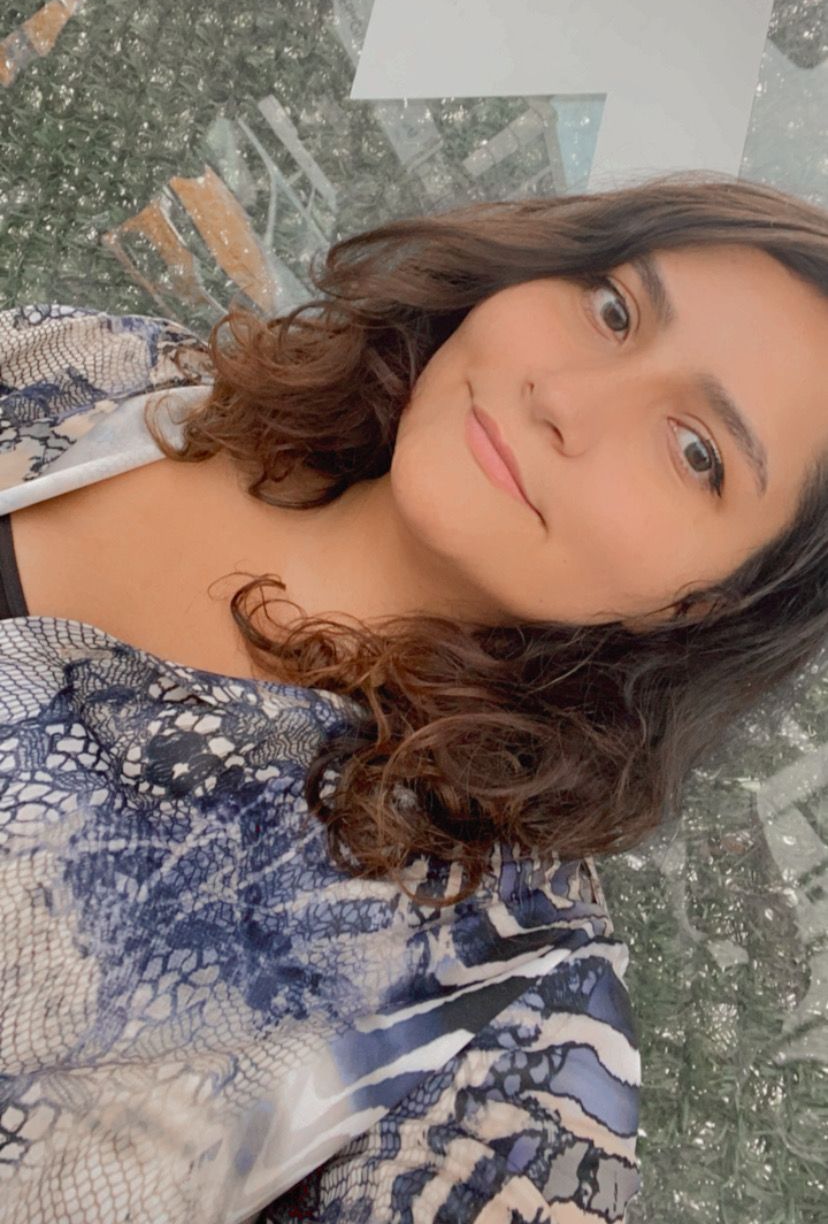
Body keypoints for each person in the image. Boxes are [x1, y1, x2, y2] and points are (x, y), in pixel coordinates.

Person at [0, 171, 827, 1223]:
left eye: (696, 451)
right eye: (615, 309)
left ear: (707, 602)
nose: (567, 398)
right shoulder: (130, 378)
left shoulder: (499, 1022)